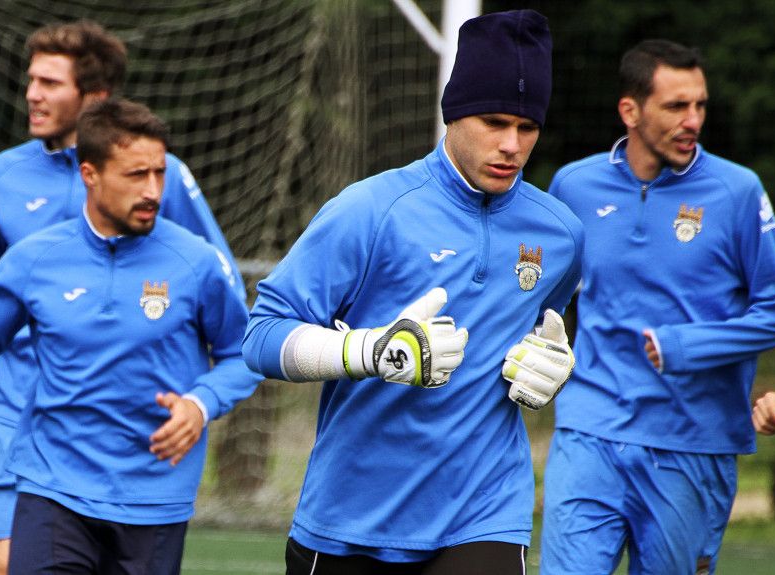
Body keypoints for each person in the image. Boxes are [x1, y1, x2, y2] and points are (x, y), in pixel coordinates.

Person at [242, 10, 583, 574]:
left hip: (484, 514)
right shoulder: (369, 210)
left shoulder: (562, 233)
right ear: (454, 113)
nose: (511, 145)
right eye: (494, 121)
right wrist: (368, 352)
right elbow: (260, 337)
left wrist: (548, 364)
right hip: (349, 520)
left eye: (527, 128)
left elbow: (546, 333)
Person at [0, 20, 242, 575]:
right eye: (30, 79)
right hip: (26, 413)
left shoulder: (164, 192)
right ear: (92, 175)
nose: (33, 94)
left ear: (94, 97)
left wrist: (200, 401)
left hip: (142, 448)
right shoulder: (6, 178)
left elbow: (227, 311)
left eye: (50, 82)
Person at [540, 39, 775, 575]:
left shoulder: (738, 192)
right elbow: (545, 298)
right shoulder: (575, 186)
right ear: (630, 110)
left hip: (692, 444)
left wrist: (686, 345)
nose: (692, 119)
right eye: (677, 106)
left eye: (699, 104)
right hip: (589, 429)